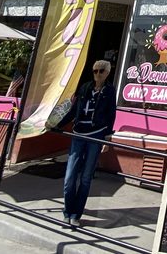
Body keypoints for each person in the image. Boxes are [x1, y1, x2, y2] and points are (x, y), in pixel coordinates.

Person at [58, 59, 117, 227]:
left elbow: (111, 114)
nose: (97, 74)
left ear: (107, 73)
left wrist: (107, 137)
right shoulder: (85, 88)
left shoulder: (109, 91)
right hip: (78, 133)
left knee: (85, 177)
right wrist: (57, 124)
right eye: (95, 71)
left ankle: (75, 215)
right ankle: (67, 211)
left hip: (96, 134)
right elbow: (73, 110)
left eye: (101, 71)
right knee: (70, 177)